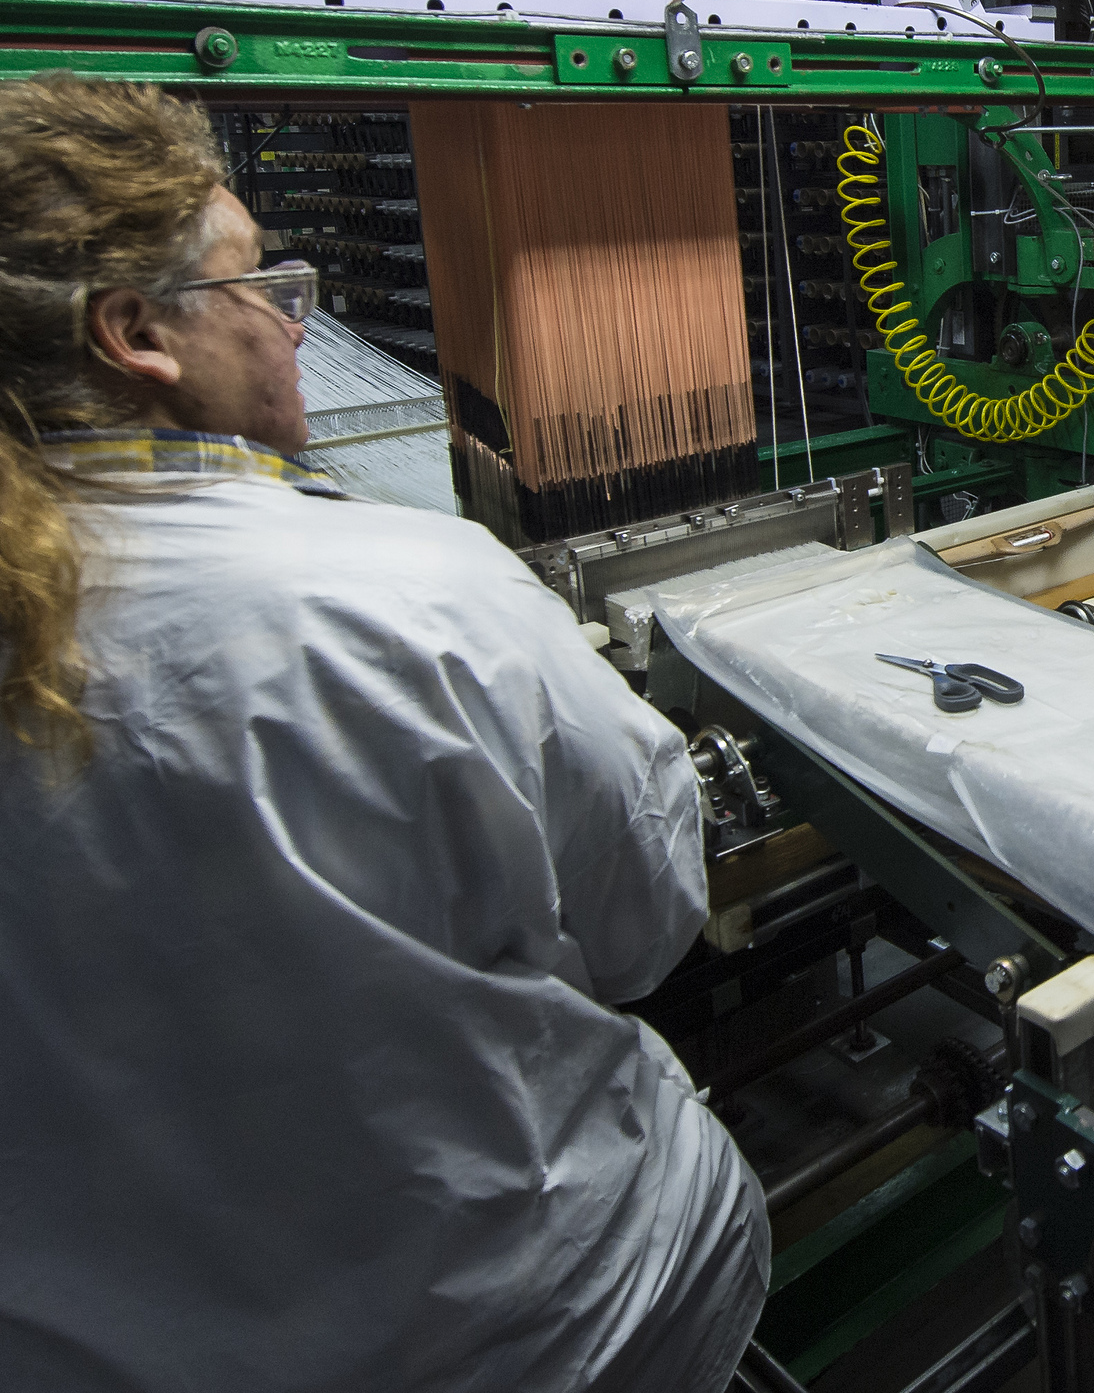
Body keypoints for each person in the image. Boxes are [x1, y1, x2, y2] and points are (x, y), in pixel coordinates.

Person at [0, 73, 766, 1392]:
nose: (298, 322)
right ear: (136, 335)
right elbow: (646, 925)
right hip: (545, 1324)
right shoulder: (412, 591)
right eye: (258, 285)